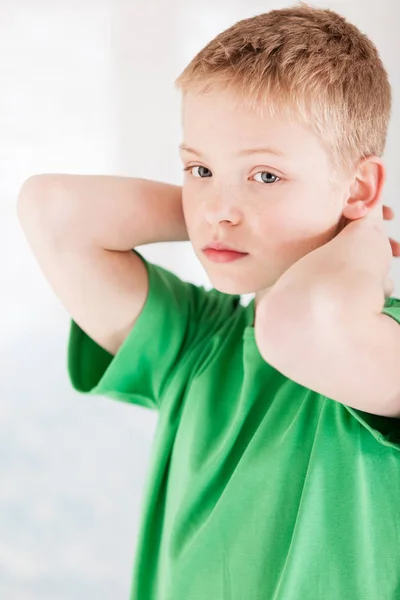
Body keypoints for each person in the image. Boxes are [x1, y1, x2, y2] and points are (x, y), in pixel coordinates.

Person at [17, 3, 400, 599]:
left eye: (266, 176)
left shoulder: (384, 345)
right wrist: (216, 211)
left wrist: (365, 235)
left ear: (360, 186)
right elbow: (53, 209)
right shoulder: (202, 343)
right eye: (198, 167)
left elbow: (300, 325)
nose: (221, 206)